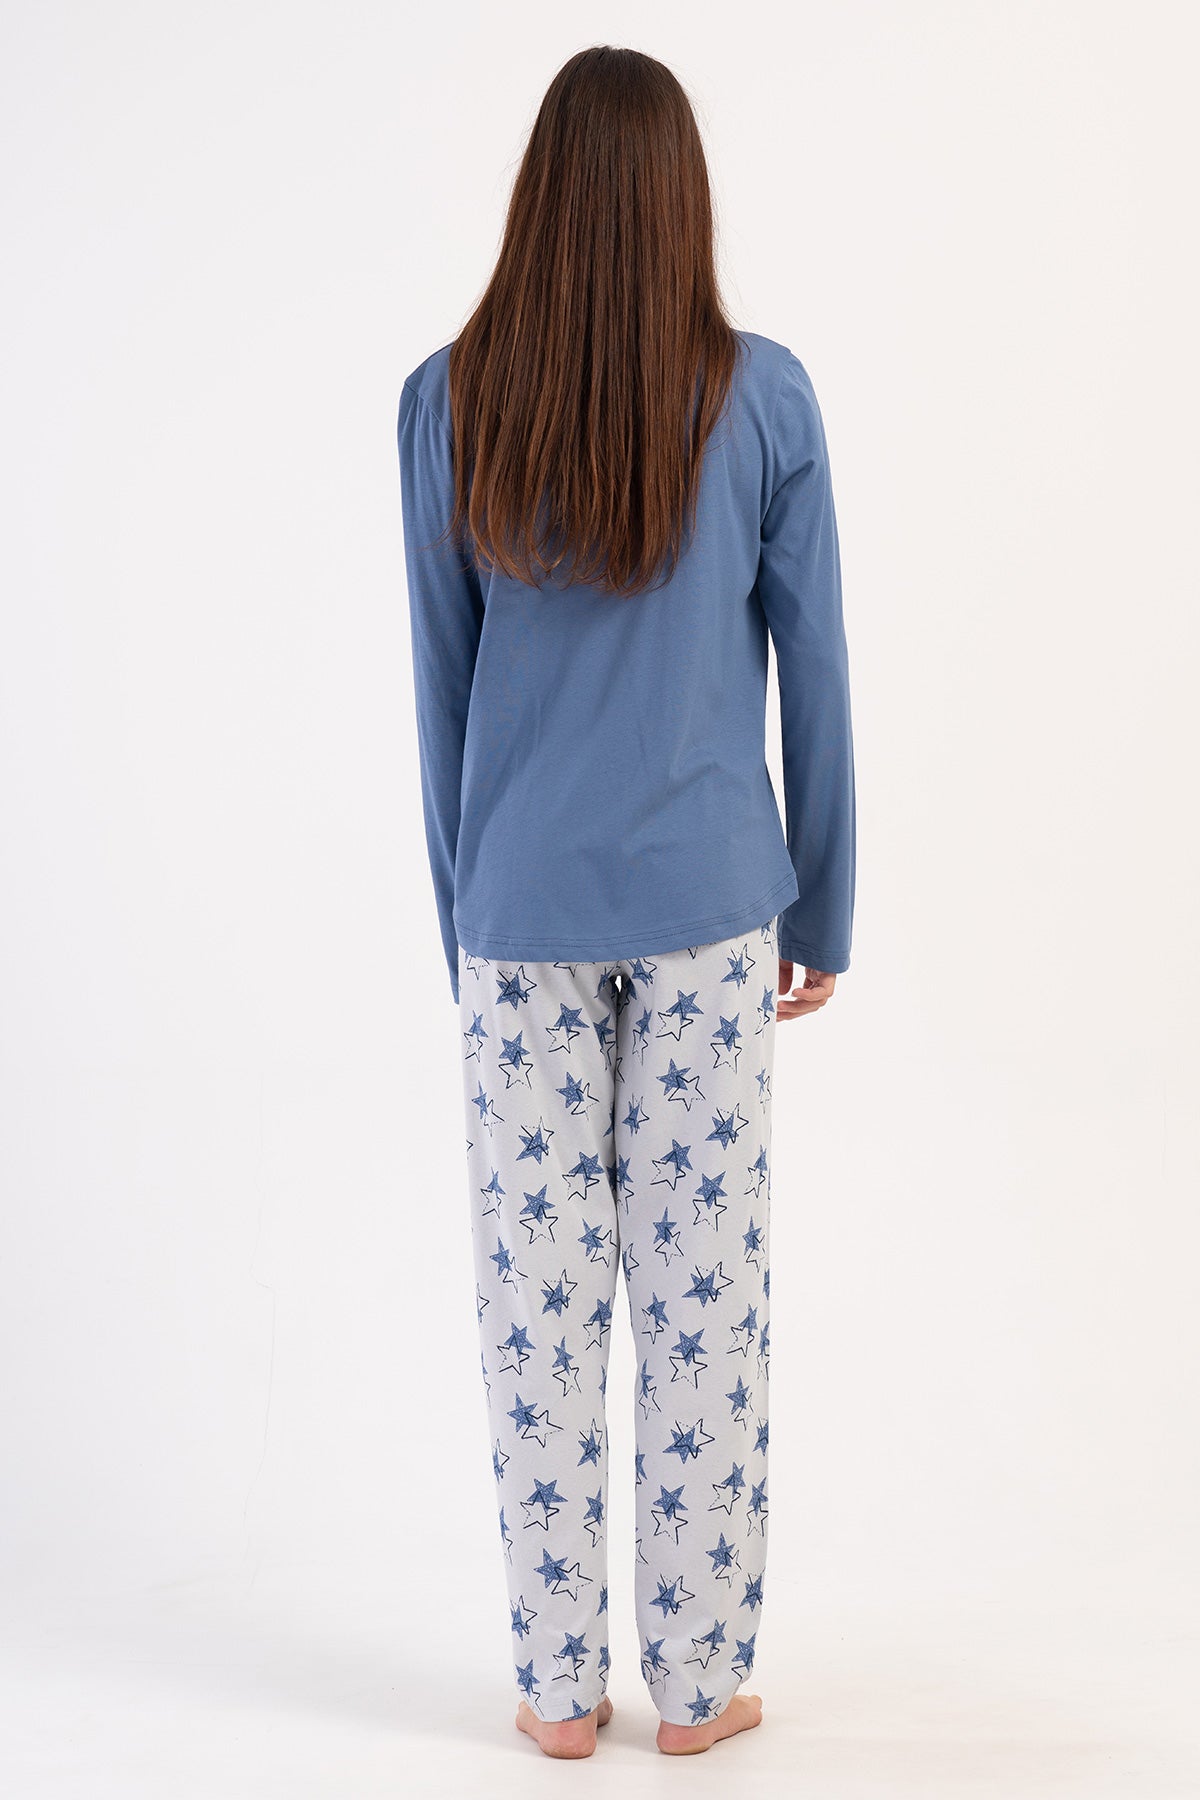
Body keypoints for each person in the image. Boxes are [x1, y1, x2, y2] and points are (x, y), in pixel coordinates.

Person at [396, 43, 855, 1761]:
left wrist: (464, 915)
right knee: (702, 1305)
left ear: (540, 200)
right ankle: (701, 1684)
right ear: (680, 200)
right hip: (714, 910)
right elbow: (817, 671)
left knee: (537, 1309)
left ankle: (557, 1690)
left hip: (517, 918)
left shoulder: (449, 400)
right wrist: (830, 906)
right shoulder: (766, 399)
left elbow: (441, 689)